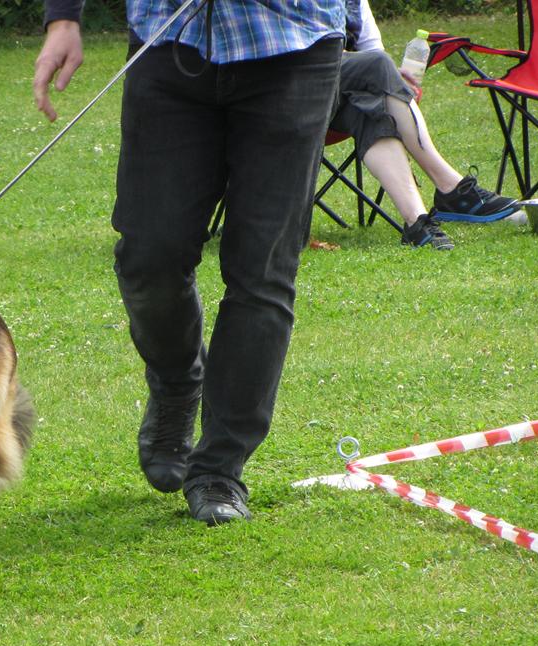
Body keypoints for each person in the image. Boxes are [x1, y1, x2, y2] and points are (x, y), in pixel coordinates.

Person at [34, 0, 346, 525]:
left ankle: (219, 470)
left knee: (262, 271)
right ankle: (178, 381)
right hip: (168, 39)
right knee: (149, 256)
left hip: (294, 44)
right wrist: (64, 18)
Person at [336, 0, 520, 249]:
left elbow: (373, 51)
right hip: (296, 95)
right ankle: (451, 188)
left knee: (374, 110)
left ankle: (417, 222)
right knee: (378, 66)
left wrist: (393, 80)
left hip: (343, 98)